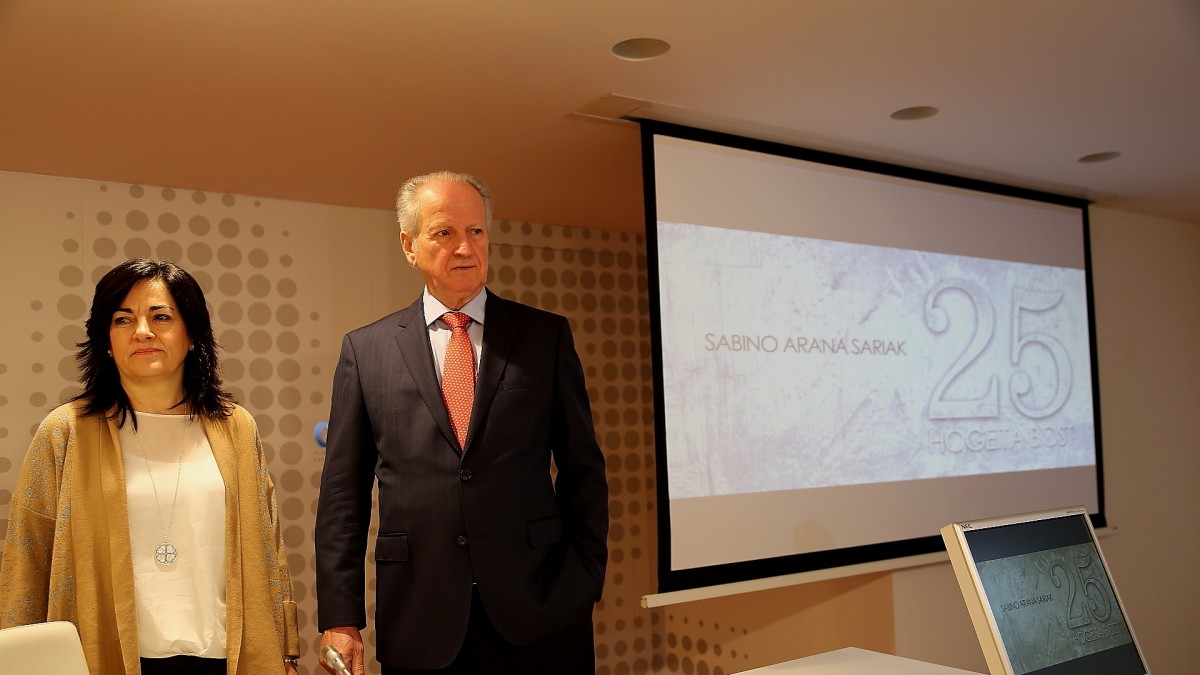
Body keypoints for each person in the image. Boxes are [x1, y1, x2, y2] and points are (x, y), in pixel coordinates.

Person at [315, 171, 609, 674]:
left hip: (542, 609)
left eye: (476, 231)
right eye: (444, 232)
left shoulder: (545, 337)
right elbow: (344, 494)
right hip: (420, 615)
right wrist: (341, 618)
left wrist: (583, 579)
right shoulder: (366, 351)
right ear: (409, 246)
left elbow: (584, 470)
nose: (465, 247)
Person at [0, 258, 300, 675]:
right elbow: (27, 557)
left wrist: (285, 649)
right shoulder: (64, 432)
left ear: (192, 333)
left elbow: (270, 549)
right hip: (103, 658)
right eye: (123, 320)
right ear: (105, 339)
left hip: (224, 657)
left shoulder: (236, 429)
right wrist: (18, 658)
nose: (142, 331)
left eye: (160, 316)